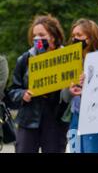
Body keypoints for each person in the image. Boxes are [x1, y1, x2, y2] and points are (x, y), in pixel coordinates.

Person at [7, 15, 70, 153]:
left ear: (53, 36)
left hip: (55, 119)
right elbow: (12, 91)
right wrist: (23, 94)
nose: (37, 39)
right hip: (29, 119)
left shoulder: (66, 58)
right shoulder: (25, 59)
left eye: (41, 35)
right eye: (34, 35)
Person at [66, 19, 98, 153]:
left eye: (79, 35)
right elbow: (64, 95)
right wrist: (70, 90)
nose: (75, 39)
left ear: (90, 36)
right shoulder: (73, 59)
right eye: (73, 36)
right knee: (75, 150)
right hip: (75, 115)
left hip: (94, 118)